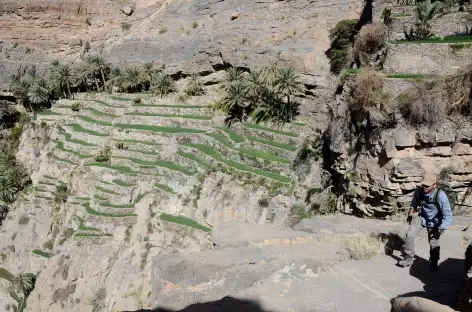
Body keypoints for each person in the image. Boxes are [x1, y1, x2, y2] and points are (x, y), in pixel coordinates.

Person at [398, 173, 453, 271]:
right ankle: (408, 257)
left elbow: (447, 214)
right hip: (422, 217)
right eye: (423, 185)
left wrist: (441, 228)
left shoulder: (440, 195)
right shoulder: (419, 191)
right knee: (410, 234)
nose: (425, 188)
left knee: (433, 242)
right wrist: (410, 214)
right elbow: (414, 203)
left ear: (434, 185)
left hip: (435, 221)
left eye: (427, 186)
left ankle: (434, 262)